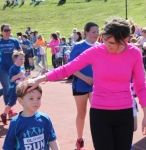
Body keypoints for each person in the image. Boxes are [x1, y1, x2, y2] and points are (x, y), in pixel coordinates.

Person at [21, 17, 146, 150]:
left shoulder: (134, 53)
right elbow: (68, 68)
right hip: (100, 113)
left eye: (111, 42)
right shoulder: (96, 51)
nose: (106, 45)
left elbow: (140, 86)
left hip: (124, 113)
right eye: (104, 40)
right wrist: (40, 79)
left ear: (125, 40)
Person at [68, 22, 99, 149]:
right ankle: (79, 139)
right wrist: (85, 78)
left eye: (97, 32)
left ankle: (100, 139)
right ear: (86, 32)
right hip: (80, 85)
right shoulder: (78, 46)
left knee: (98, 113)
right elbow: (70, 67)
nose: (96, 34)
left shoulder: (100, 46)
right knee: (82, 113)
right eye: (93, 32)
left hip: (95, 86)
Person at [3, 82, 60, 150]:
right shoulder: (15, 123)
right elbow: (9, 146)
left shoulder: (44, 119)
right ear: (21, 101)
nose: (36, 101)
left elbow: (52, 139)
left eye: (38, 98)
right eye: (31, 98)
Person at [0, 24, 22, 116]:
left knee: (11, 87)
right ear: (2, 32)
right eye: (6, 30)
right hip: (1, 68)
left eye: (9, 30)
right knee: (7, 88)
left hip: (12, 69)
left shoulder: (14, 41)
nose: (8, 32)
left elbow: (21, 51)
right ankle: (9, 111)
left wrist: (18, 53)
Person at [0, 51, 25, 125]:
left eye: (23, 59)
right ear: (15, 59)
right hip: (13, 89)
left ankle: (25, 117)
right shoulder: (13, 68)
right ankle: (4, 114)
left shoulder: (22, 67)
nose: (23, 60)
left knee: (25, 101)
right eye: (21, 59)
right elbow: (11, 78)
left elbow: (23, 77)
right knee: (11, 103)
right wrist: (19, 74)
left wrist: (26, 75)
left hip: (21, 88)